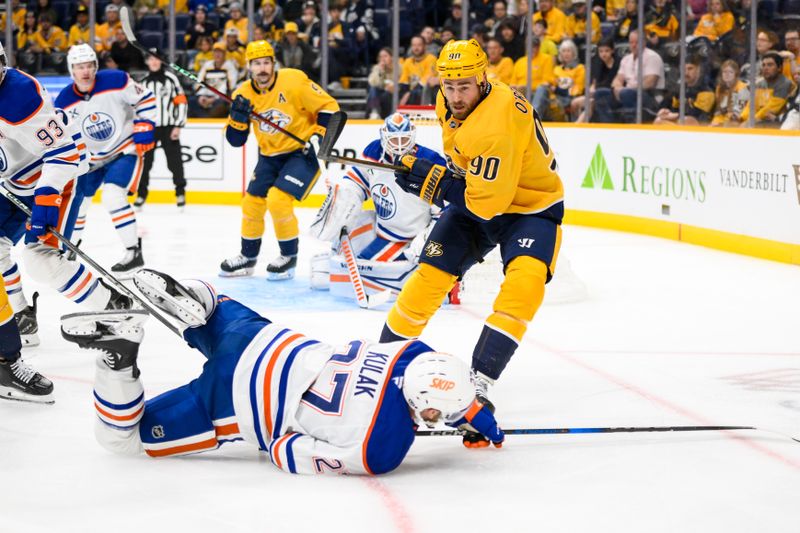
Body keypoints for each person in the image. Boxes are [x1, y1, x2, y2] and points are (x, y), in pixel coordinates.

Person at [60, 269, 504, 471]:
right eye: (432, 416)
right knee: (124, 440)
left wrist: (479, 417)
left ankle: (200, 297)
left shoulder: (409, 353)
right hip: (238, 399)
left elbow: (443, 381)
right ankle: (117, 360)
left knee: (219, 310)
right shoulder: (381, 449)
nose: (432, 422)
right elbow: (286, 451)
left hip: (267, 340)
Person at [379, 39, 564, 448]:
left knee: (525, 284)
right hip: (479, 194)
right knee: (427, 278)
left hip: (529, 208)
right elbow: (466, 167)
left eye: (465, 85)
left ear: (484, 78)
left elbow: (487, 204)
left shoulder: (497, 122)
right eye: (450, 85)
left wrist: (436, 185)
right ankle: (383, 364)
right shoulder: (448, 101)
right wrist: (438, 175)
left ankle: (479, 384)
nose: (456, 95)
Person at [0, 42, 133, 352]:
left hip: (59, 173)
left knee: (39, 259)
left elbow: (62, 151)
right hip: (17, 180)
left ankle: (111, 308)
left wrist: (46, 198)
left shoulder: (18, 94)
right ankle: (21, 316)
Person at [218, 41, 339, 280]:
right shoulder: (242, 93)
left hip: (301, 152)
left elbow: (329, 107)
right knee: (251, 203)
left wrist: (320, 136)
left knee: (278, 200)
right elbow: (235, 140)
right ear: (249, 67)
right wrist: (238, 116)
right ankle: (248, 257)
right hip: (269, 157)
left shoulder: (293, 80)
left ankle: (288, 257)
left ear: (274, 63)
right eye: (257, 64)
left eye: (266, 63)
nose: (262, 69)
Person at [308, 113, 450, 303]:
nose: (399, 145)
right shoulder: (374, 151)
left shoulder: (430, 162)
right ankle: (334, 271)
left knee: (364, 266)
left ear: (412, 136)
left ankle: (444, 285)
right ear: (384, 136)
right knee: (341, 244)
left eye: (404, 139)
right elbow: (359, 180)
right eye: (394, 139)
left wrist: (426, 239)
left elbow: (445, 210)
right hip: (381, 227)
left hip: (406, 238)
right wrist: (344, 197)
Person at [55, 44, 156, 274]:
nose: (86, 71)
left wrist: (147, 123)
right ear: (72, 70)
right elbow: (63, 136)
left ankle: (133, 253)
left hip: (124, 149)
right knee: (77, 204)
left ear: (96, 66)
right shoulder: (64, 100)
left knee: (113, 196)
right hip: (90, 161)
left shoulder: (116, 80)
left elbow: (146, 99)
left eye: (89, 65)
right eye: (80, 67)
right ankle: (71, 247)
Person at [135, 49, 189, 210]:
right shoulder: (142, 82)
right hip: (149, 129)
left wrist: (178, 125)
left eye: (157, 58)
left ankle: (180, 193)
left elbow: (181, 102)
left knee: (175, 162)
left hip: (169, 127)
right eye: (150, 59)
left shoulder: (171, 79)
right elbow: (137, 107)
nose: (154, 62)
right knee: (145, 163)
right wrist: (139, 127)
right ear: (146, 62)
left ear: (161, 60)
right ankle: (141, 195)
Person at [592, 29, 665, 123]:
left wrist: (628, 90)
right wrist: (617, 88)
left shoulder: (652, 57)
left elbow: (650, 82)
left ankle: (632, 125)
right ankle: (609, 126)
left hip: (649, 96)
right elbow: (617, 80)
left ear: (644, 42)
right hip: (626, 93)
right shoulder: (626, 59)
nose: (633, 45)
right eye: (631, 42)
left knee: (626, 93)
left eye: (637, 42)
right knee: (600, 93)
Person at [738, 51, 795, 127]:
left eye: (770, 65)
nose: (765, 68)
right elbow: (751, 106)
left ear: (779, 68)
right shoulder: (759, 84)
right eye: (763, 65)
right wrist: (742, 118)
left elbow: (771, 109)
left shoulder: (785, 83)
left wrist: (750, 122)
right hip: (758, 121)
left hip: (777, 124)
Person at [654, 55, 715, 125]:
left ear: (698, 70)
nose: (686, 73)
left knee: (686, 121)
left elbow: (697, 115)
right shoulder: (679, 89)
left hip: (700, 126)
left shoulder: (706, 92)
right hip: (680, 121)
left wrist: (675, 115)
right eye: (684, 69)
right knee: (658, 121)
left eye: (690, 69)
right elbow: (674, 108)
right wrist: (665, 112)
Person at [572, 38, 620, 121]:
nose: (603, 54)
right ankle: (578, 123)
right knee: (574, 103)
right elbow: (593, 83)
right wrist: (592, 89)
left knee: (590, 103)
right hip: (597, 94)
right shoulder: (596, 63)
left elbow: (614, 84)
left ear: (612, 50)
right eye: (601, 51)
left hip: (611, 95)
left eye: (606, 51)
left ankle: (577, 128)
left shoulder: (618, 63)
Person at [511, 36, 556, 115]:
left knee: (541, 89)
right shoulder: (520, 61)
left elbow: (547, 81)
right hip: (522, 93)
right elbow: (512, 83)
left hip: (537, 93)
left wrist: (527, 87)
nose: (532, 49)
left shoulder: (546, 59)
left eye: (534, 46)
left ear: (538, 47)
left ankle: (534, 117)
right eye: (530, 46)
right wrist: (519, 87)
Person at [192, 42, 238, 118]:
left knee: (221, 104)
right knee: (191, 101)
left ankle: (208, 122)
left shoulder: (230, 66)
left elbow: (230, 88)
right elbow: (199, 83)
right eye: (216, 52)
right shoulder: (207, 65)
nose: (217, 54)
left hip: (221, 97)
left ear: (225, 54)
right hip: (205, 95)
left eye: (220, 52)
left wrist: (213, 99)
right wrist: (200, 96)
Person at [398, 35, 437, 107]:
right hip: (411, 94)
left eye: (419, 45)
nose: (416, 48)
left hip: (426, 92)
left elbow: (426, 80)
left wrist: (409, 94)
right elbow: (404, 82)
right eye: (414, 45)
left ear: (425, 46)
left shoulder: (431, 59)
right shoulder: (408, 61)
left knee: (418, 92)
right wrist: (403, 94)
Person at [710, 59, 749, 126]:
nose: (727, 74)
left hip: (736, 122)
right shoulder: (719, 88)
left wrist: (721, 124)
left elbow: (738, 114)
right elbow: (719, 111)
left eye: (730, 72)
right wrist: (715, 122)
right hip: (721, 120)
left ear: (736, 74)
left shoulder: (742, 88)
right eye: (724, 72)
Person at [366, 47, 399, 119]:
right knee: (373, 89)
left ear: (392, 57)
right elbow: (372, 83)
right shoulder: (377, 68)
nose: (382, 59)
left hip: (392, 93)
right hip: (379, 93)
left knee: (386, 94)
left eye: (385, 56)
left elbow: (399, 83)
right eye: (380, 57)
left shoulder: (398, 67)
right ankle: (374, 112)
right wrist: (380, 71)